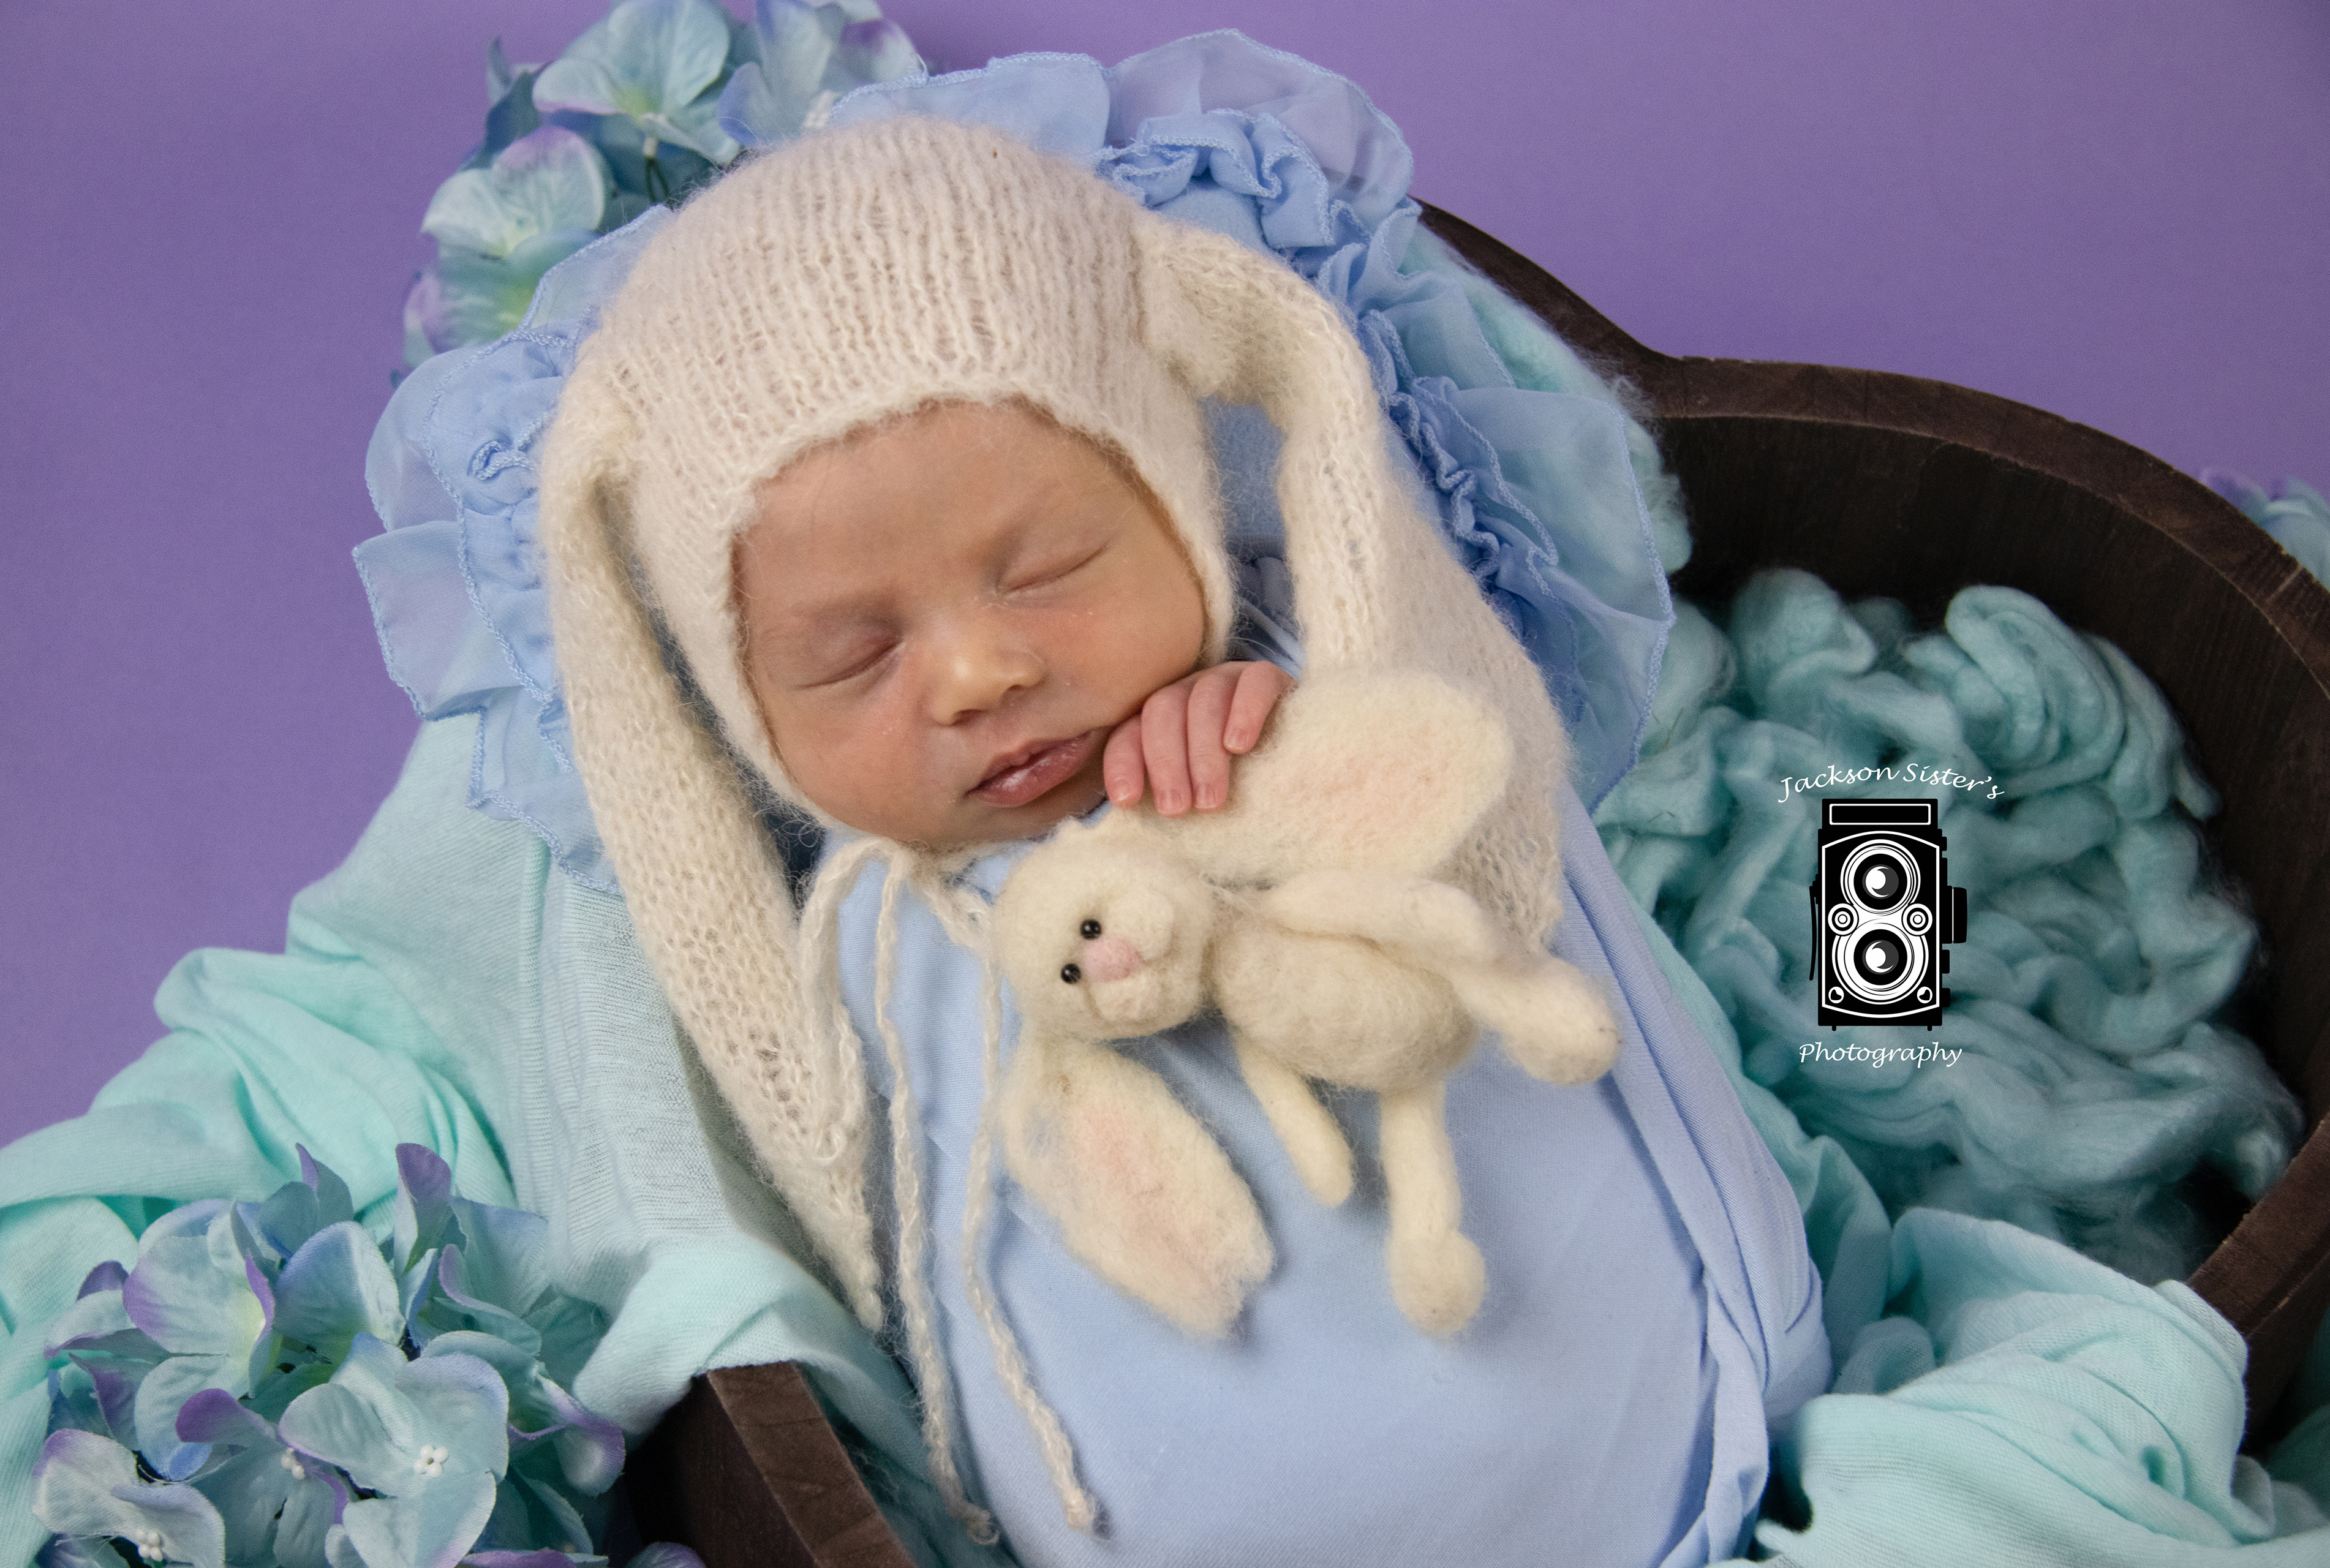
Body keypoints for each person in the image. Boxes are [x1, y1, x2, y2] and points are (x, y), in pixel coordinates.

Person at [0, 39, 1828, 1568]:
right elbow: (851, 1201)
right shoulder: (864, 929)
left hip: (1690, 1425)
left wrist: (1297, 726)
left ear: (1183, 504)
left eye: (1048, 568)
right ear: (738, 714)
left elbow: (1486, 832)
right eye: (853, 653)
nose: (974, 673)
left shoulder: (1273, 666)